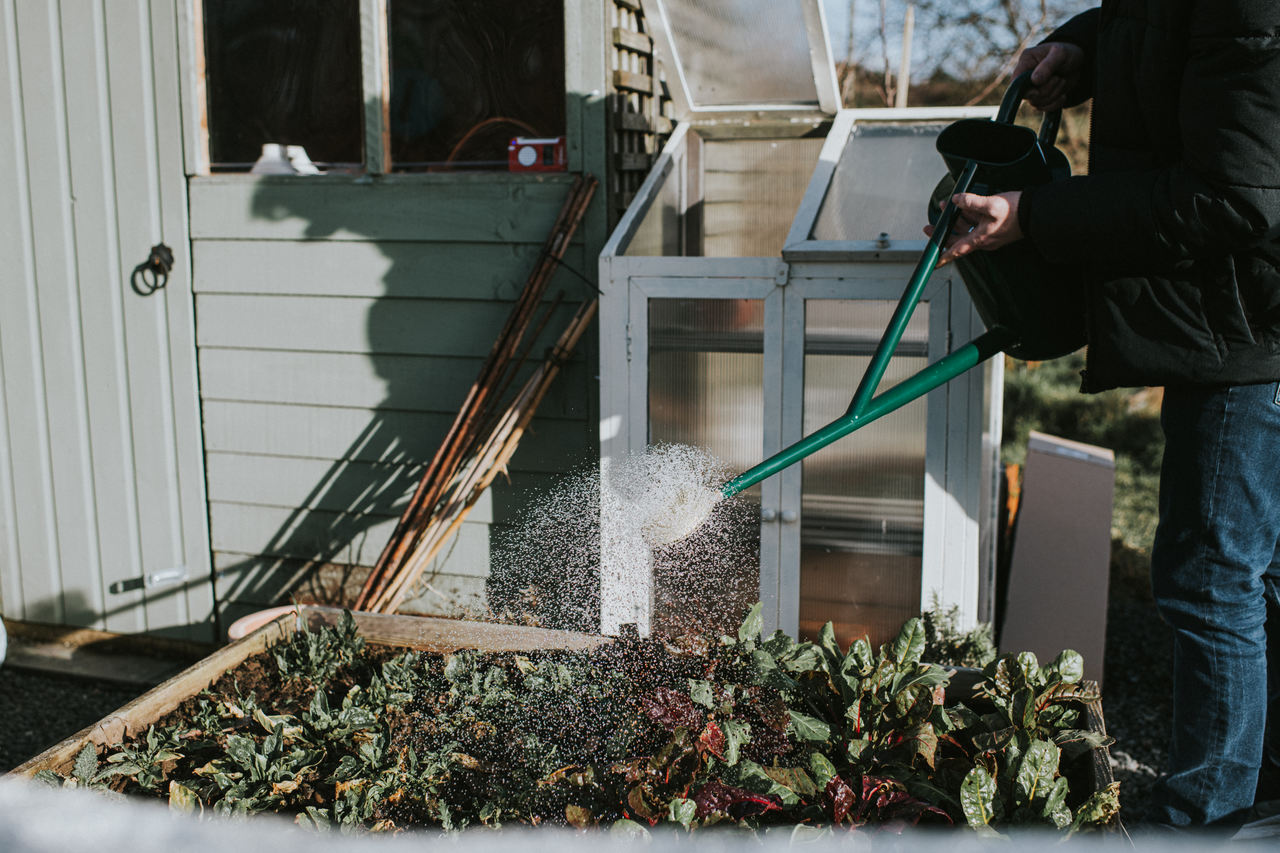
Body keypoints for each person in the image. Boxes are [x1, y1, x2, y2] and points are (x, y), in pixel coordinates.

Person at [930, 1, 1280, 829]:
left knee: (1212, 577)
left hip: (1249, 330)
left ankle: (1207, 819)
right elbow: (1163, 25)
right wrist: (1081, 46)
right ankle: (1258, 795)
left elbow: (1234, 196)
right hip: (1241, 320)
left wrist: (1033, 217)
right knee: (1255, 572)